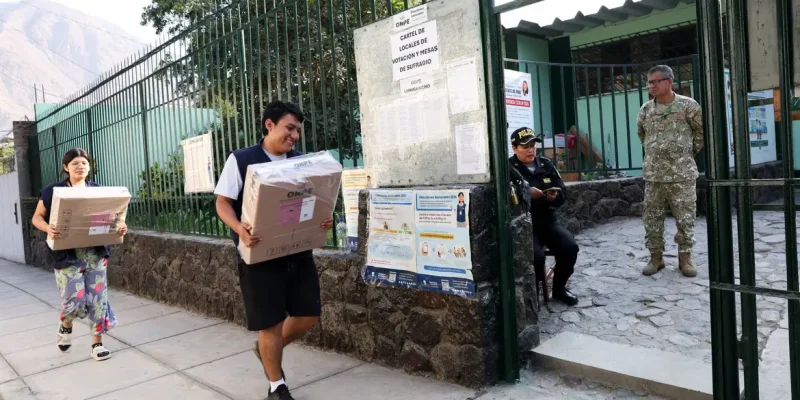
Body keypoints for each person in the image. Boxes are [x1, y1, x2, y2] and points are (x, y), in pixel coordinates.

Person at [214, 101, 333, 400]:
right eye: (289, 128)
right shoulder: (242, 160)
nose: (294, 136)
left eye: (298, 131)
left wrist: (323, 217)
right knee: (270, 322)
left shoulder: (302, 163)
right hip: (259, 255)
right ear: (270, 124)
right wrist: (239, 228)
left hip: (297, 251)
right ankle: (276, 385)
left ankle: (265, 350)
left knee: (308, 315)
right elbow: (222, 202)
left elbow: (314, 199)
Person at [31, 148, 127, 361]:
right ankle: (66, 325)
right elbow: (37, 217)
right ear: (66, 167)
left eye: (84, 162)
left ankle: (97, 344)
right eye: (75, 163)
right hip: (67, 255)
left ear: (89, 166)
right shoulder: (52, 191)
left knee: (98, 299)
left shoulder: (98, 190)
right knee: (74, 299)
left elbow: (112, 218)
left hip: (95, 253)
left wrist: (119, 226)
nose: (80, 166)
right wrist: (47, 228)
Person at [637, 65, 704, 277]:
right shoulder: (646, 109)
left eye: (656, 81)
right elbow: (642, 136)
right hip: (654, 175)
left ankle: (685, 259)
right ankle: (656, 258)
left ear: (669, 81)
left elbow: (700, 135)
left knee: (686, 218)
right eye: (649, 82)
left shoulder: (688, 106)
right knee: (652, 218)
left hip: (681, 175)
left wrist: (681, 155)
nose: (652, 86)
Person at [509, 127, 579, 306]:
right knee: (536, 257)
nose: (531, 150)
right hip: (524, 223)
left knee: (569, 247)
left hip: (547, 219)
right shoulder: (509, 169)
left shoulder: (546, 164)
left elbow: (563, 191)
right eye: (525, 146)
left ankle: (559, 288)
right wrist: (526, 194)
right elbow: (505, 198)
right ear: (515, 148)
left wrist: (554, 198)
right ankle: (534, 291)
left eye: (533, 145)